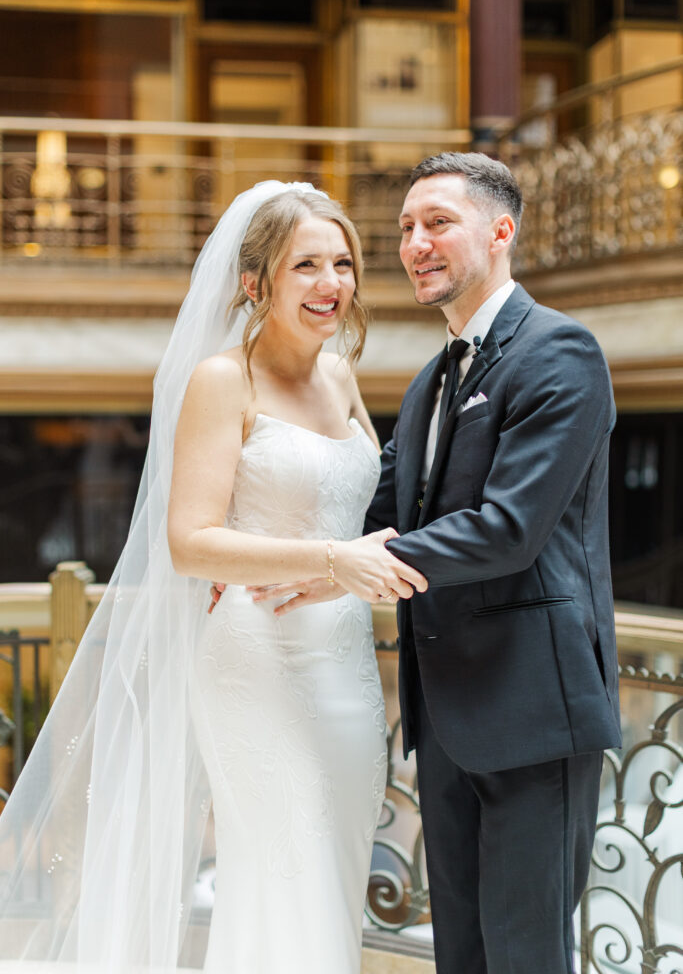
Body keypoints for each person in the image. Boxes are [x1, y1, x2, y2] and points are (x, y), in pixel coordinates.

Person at [0, 181, 426, 974]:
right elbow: (190, 542)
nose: (331, 283)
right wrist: (329, 560)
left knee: (333, 860)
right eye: (306, 265)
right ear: (254, 282)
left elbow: (362, 503)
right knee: (276, 866)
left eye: (342, 263)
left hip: (342, 662)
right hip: (253, 661)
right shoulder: (221, 381)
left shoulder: (339, 376)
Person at [259, 153, 622, 974]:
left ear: (500, 231)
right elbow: (375, 515)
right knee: (460, 952)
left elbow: (505, 530)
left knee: (525, 954)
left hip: (533, 710)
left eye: (437, 223)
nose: (415, 243)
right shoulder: (430, 380)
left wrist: (332, 571)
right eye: (405, 230)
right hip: (447, 715)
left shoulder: (561, 353)